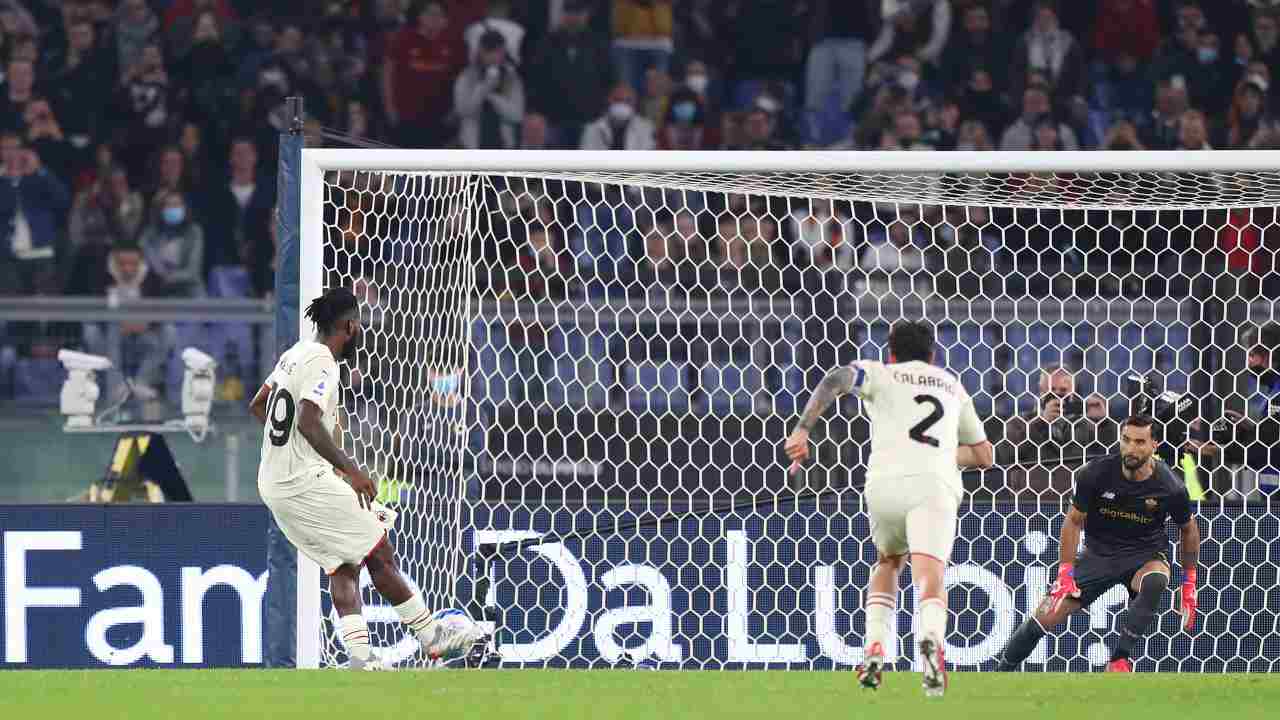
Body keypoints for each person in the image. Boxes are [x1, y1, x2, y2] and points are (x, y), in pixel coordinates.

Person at [248, 287, 486, 669]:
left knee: (343, 564)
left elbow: (258, 405)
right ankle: (432, 638)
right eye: (357, 326)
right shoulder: (324, 361)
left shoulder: (293, 355)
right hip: (303, 482)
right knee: (378, 549)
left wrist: (291, 450)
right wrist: (351, 470)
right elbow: (308, 420)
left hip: (273, 483)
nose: (358, 331)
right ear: (349, 326)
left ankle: (361, 658)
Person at [783, 320, 993, 697]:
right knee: (929, 572)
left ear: (891, 353)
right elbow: (984, 455)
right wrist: (944, 454)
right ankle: (930, 643)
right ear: (933, 355)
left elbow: (835, 379)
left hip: (884, 485)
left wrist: (802, 429)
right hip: (933, 486)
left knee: (888, 562)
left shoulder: (879, 373)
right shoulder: (951, 385)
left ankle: (874, 649)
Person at [996, 415, 1200, 672]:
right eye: (1126, 440)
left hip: (1144, 555)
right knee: (1041, 619)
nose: (1131, 448)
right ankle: (999, 674)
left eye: (1140, 442)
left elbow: (1189, 529)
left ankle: (1119, 660)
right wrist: (1065, 572)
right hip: (1097, 556)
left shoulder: (1171, 486)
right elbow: (1072, 522)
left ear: (1154, 445)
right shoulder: (1096, 473)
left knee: (1156, 580)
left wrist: (1189, 582)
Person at [382, 1, 466, 148]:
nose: (433, 18)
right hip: (406, 115)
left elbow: (462, 80)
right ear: (420, 17)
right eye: (429, 14)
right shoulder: (404, 39)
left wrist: (455, 110)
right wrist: (390, 107)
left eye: (438, 15)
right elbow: (388, 74)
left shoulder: (453, 43)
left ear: (445, 21)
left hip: (439, 116)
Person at [454, 29, 525, 149]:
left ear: (503, 52)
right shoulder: (467, 76)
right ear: (480, 51)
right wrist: (484, 88)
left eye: (497, 51)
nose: (493, 56)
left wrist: (492, 96)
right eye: (488, 51)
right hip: (473, 145)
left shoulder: (512, 78)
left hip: (503, 144)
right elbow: (463, 111)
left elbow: (517, 115)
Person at [580, 84, 656, 151]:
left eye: (628, 101)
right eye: (617, 100)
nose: (622, 105)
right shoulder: (592, 129)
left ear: (635, 103)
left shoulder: (646, 128)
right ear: (608, 100)